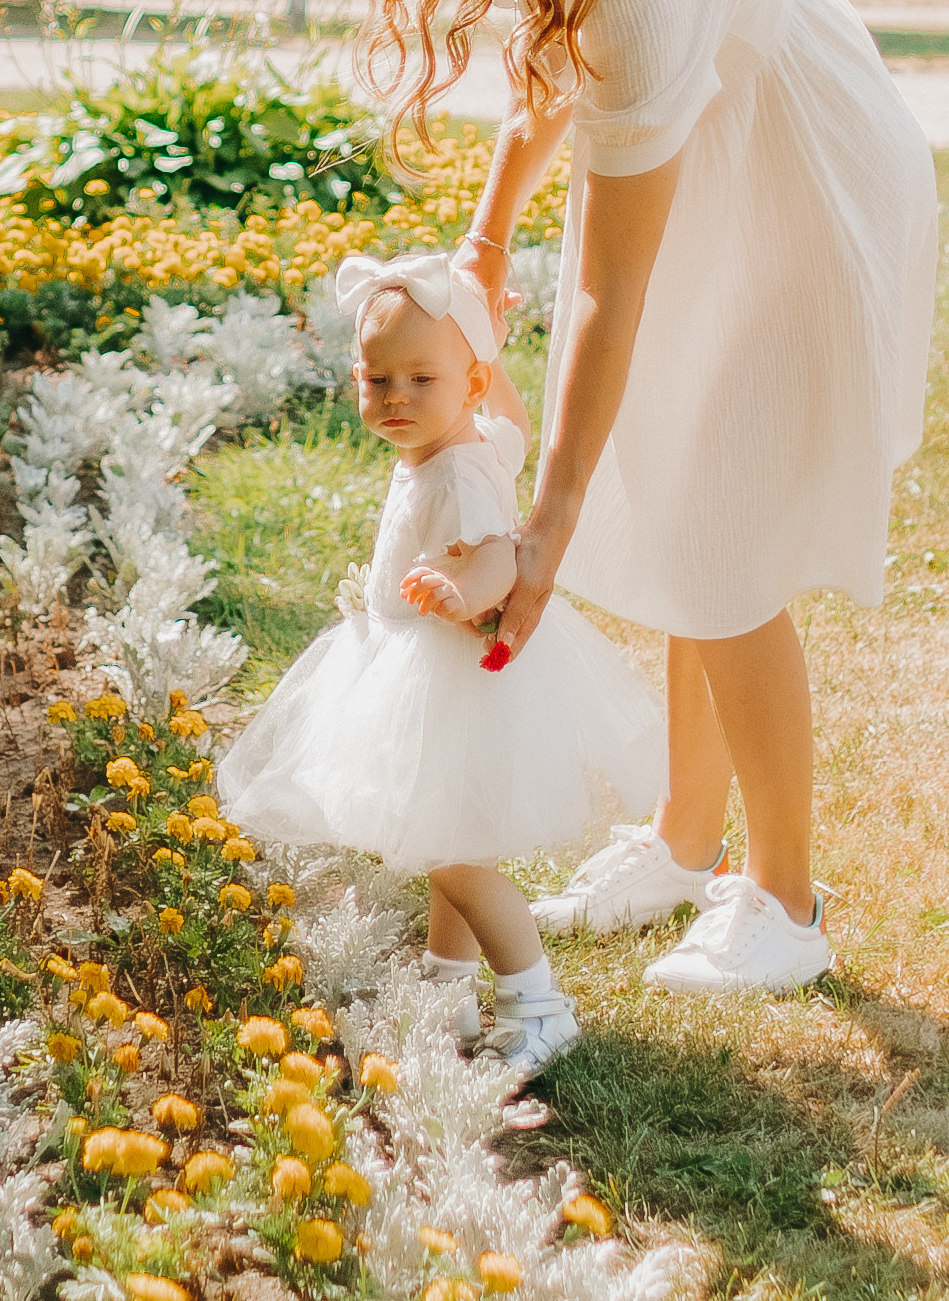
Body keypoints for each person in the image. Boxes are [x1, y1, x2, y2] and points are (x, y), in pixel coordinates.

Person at [302, 0, 938, 996]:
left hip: (796, 186)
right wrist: (487, 228)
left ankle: (783, 899)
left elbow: (609, 283)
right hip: (713, 155)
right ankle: (682, 839)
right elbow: (555, 71)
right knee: (681, 499)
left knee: (722, 533)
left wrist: (544, 526)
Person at [217, 250, 664, 1076]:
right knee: (441, 832)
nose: (394, 399)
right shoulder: (478, 434)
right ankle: (448, 980)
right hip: (433, 675)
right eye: (375, 379)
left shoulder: (459, 472)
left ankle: (536, 1001)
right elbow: (519, 426)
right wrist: (484, 336)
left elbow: (500, 553)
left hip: (445, 673)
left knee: (451, 852)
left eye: (421, 380)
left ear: (468, 382)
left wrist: (463, 591)